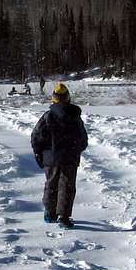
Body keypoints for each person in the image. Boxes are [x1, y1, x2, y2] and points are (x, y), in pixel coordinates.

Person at [31, 82, 89, 228]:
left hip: (51, 159)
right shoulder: (75, 117)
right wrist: (76, 151)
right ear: (68, 97)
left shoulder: (47, 116)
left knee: (51, 184)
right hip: (70, 158)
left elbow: (36, 137)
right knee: (67, 187)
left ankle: (50, 214)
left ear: (54, 98)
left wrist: (39, 154)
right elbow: (83, 139)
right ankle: (64, 217)